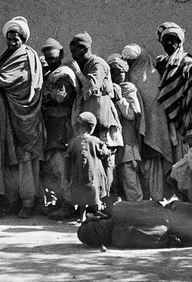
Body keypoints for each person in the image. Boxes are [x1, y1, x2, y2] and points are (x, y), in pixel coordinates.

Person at [0, 16, 46, 218]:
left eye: (16, 39)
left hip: (26, 116)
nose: (12, 43)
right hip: (11, 116)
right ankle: (13, 201)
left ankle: (28, 202)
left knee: (26, 160)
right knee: (13, 160)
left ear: (23, 39)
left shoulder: (25, 56)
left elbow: (8, 79)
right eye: (9, 40)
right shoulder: (9, 56)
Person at [69, 32, 122, 200]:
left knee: (106, 163)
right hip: (92, 122)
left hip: (103, 122)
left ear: (85, 49)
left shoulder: (97, 64)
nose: (73, 56)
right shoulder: (87, 64)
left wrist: (77, 72)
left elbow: (91, 87)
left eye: (75, 51)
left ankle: (106, 202)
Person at [121, 44, 174, 201]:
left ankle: (155, 201)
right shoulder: (129, 79)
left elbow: (154, 109)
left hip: (153, 132)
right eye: (128, 62)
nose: (130, 65)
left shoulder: (152, 77)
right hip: (134, 131)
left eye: (133, 61)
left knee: (152, 168)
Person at [155, 22, 192, 161]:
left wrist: (190, 120)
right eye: (165, 40)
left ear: (179, 41)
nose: (169, 43)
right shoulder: (161, 63)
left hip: (185, 120)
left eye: (173, 39)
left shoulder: (190, 64)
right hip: (166, 121)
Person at [42, 65, 79, 220]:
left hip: (64, 144)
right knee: (54, 172)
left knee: (64, 172)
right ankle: (60, 203)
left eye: (65, 86)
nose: (61, 90)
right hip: (53, 142)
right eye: (57, 85)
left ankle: (68, 205)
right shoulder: (48, 102)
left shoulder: (73, 106)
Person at [108, 56, 143, 202]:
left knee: (129, 176)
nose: (117, 77)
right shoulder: (110, 88)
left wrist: (120, 99)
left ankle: (138, 206)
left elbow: (132, 114)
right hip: (114, 138)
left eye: (119, 73)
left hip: (128, 139)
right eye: (113, 73)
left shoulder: (129, 88)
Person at [67, 112, 110, 220]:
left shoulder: (74, 142)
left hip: (78, 173)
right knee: (94, 191)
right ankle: (97, 212)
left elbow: (68, 155)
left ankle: (82, 215)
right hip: (93, 173)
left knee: (81, 193)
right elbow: (104, 153)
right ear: (91, 128)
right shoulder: (95, 141)